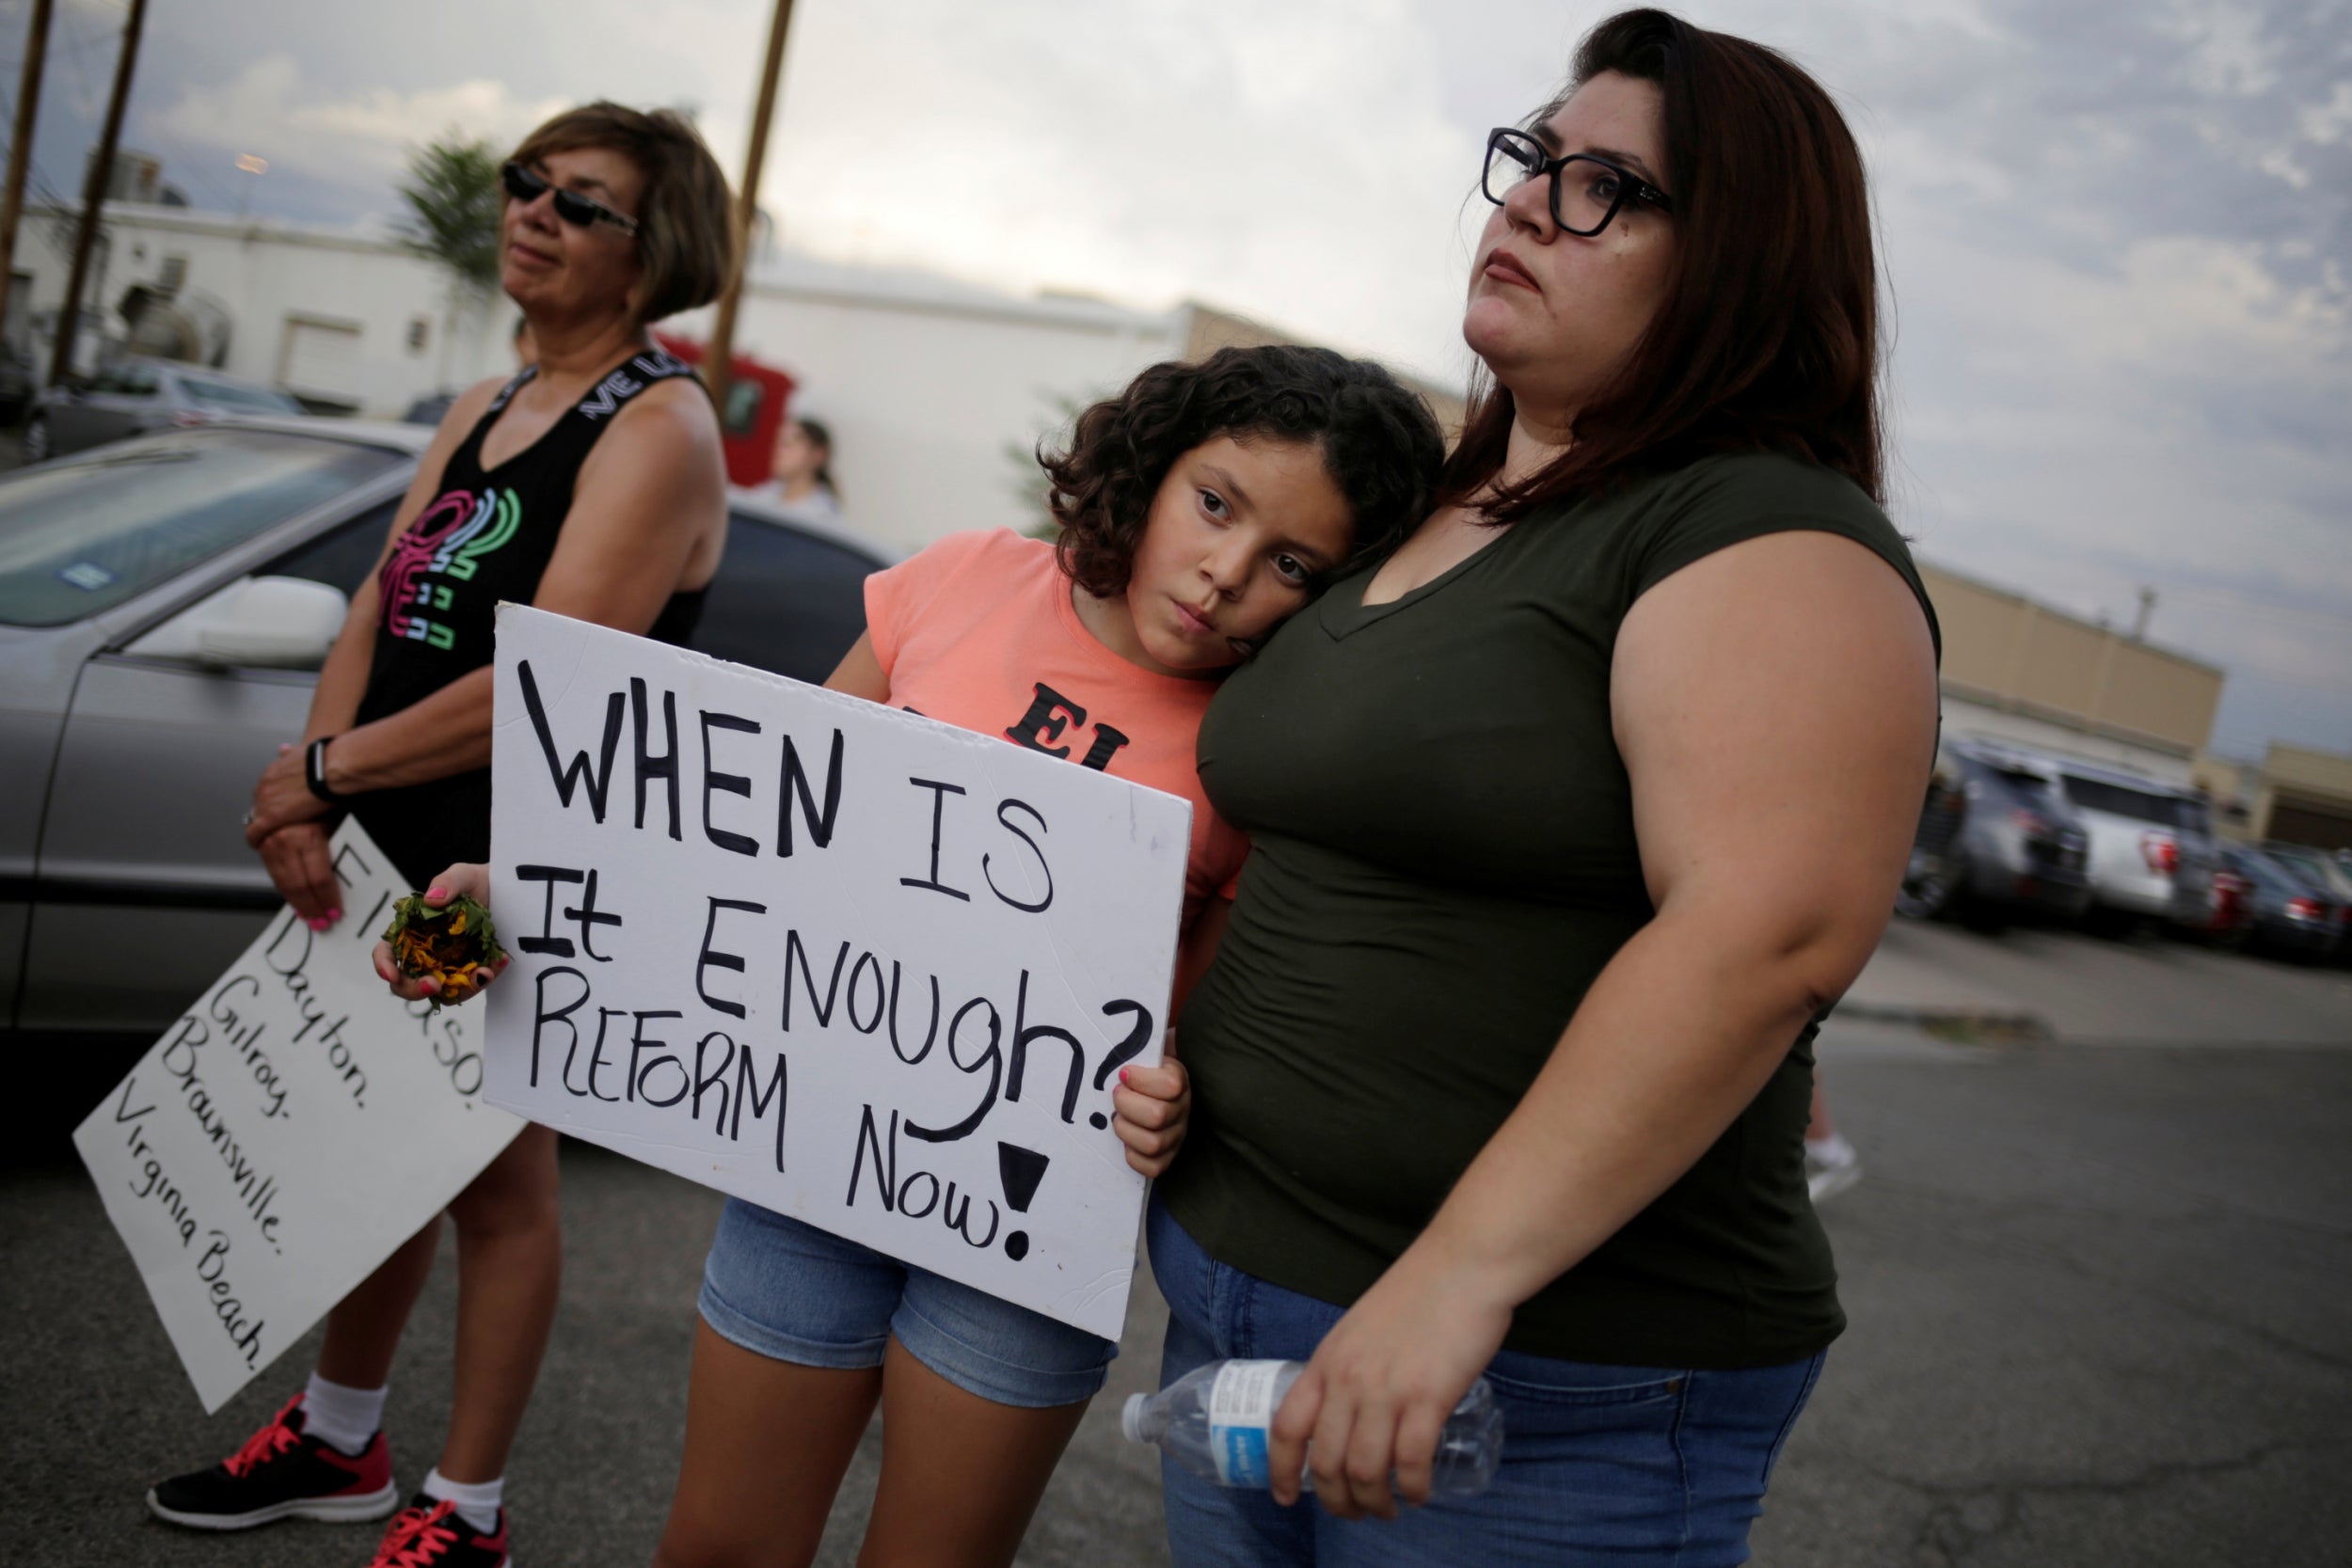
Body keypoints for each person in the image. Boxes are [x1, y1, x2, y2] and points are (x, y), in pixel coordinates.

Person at [384, 343, 1446, 1568]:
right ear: (1153, 469)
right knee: (720, 1545)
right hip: (811, 1170)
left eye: (1293, 564)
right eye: (1216, 503)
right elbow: (751, 835)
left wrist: (1172, 1094)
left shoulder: (1272, 746)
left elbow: (1204, 1017)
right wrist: (505, 896)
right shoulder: (964, 579)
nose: (1226, 571)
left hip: (1027, 1217)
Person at [1149, 10, 1942, 1565]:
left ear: (1742, 262)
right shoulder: (1441, 504)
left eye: (1609, 189)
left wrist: (1457, 1277)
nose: (1525, 203)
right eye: (1534, 159)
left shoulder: (1763, 531)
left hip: (1530, 1384)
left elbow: (1766, 931)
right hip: (1237, 1314)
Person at [148, 102, 739, 1568]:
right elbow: (376, 603)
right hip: (383, 835)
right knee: (379, 1144)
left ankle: (467, 1512)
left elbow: (541, 675)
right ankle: (343, 1437)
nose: (531, 209)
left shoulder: (657, 426)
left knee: (492, 1179)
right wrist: (316, 792)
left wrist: (323, 768)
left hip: (500, 863)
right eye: (524, 182)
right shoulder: (485, 402)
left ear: (649, 251)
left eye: (578, 201)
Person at [737, 413, 842, 526]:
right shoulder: (768, 493)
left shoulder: (823, 515)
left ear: (818, 455)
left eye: (788, 444)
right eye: (778, 444)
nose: (778, 452)